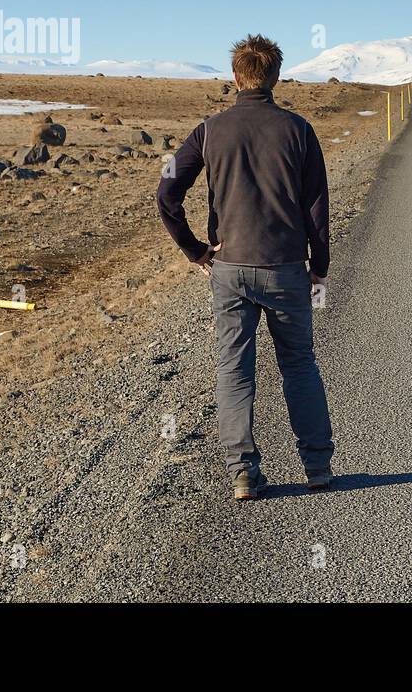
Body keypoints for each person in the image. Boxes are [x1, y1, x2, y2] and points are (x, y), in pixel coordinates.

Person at [156, 33, 334, 500]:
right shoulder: (298, 130)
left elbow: (166, 191)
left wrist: (194, 249)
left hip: (230, 267)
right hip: (286, 268)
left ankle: (244, 474)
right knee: (298, 365)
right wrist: (321, 263)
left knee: (234, 369)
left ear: (235, 77)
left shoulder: (210, 130)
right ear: (275, 77)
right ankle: (317, 466)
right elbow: (316, 202)